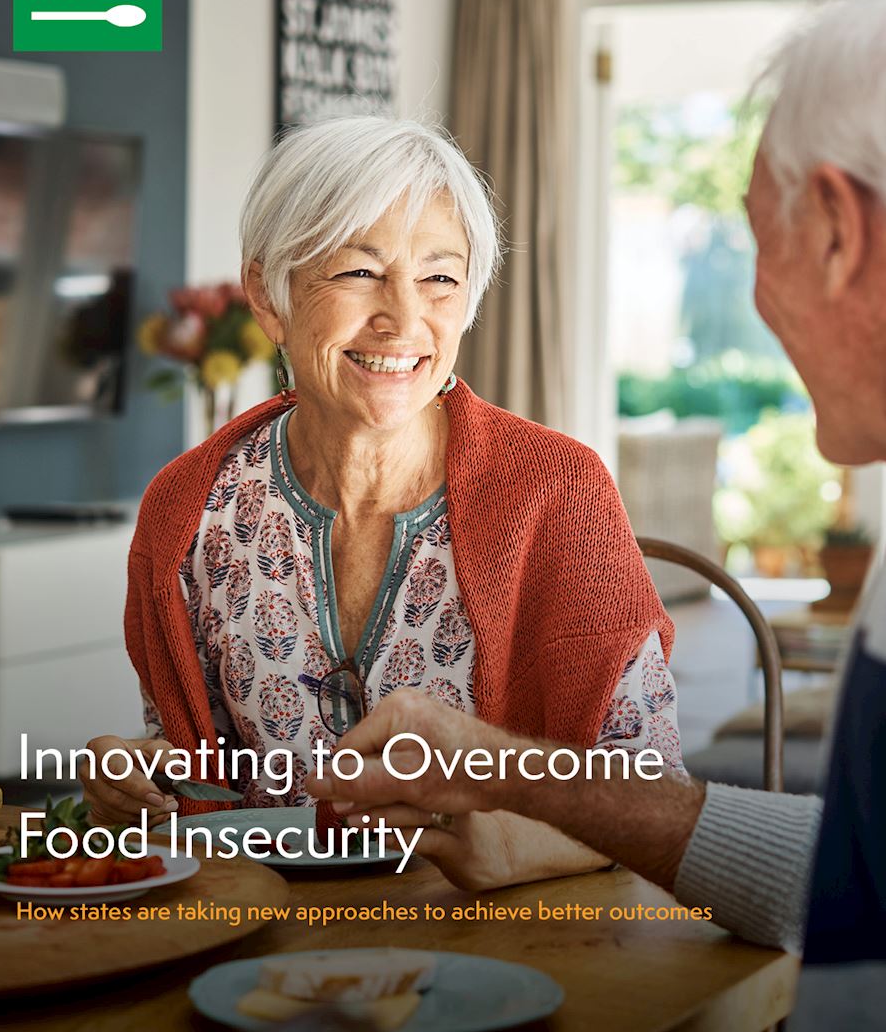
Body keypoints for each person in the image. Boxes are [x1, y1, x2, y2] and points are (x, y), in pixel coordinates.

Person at [308, 0, 886, 1032]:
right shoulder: (196, 508)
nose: (755, 295)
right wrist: (508, 773)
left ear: (841, 232)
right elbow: (860, 875)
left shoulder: (554, 482)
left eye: (761, 232)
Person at [82, 115, 686, 891]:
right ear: (270, 298)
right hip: (257, 943)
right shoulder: (188, 511)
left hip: (513, 944)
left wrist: (515, 844)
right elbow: (200, 784)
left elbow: (651, 792)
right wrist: (139, 788)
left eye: (439, 276)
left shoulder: (557, 490)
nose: (404, 320)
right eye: (359, 272)